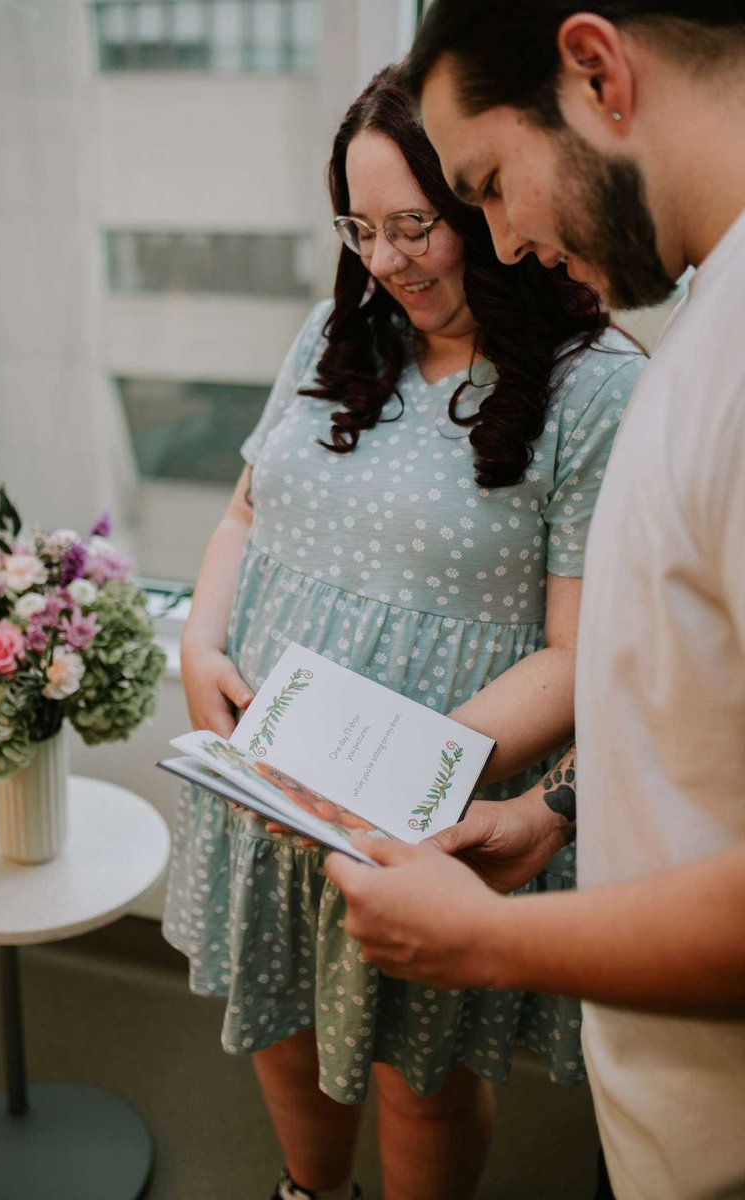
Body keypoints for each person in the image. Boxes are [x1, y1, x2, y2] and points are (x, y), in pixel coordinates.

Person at [162, 65, 644, 1200]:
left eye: (413, 227)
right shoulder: (338, 330)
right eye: (359, 228)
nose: (383, 261)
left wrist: (380, 765)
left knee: (417, 1069)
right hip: (271, 777)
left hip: (417, 799)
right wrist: (199, 642)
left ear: (485, 202)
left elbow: (578, 656)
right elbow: (244, 509)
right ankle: (305, 1190)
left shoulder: (596, 388)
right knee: (275, 1008)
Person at [325, 6, 745, 1199]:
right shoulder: (705, 322)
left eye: (486, 185)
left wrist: (489, 943)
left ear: (597, 71)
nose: (498, 241)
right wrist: (558, 808)